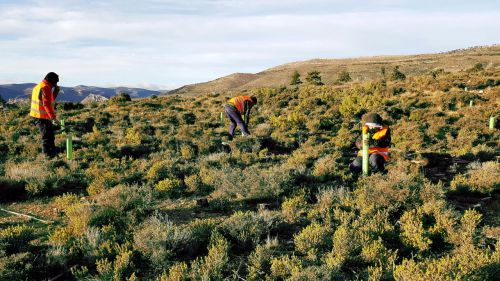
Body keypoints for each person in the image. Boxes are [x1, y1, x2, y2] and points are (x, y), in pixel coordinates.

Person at [30, 72, 61, 158]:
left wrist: (55, 92)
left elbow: (49, 100)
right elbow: (46, 104)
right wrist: (53, 118)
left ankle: (53, 150)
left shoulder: (39, 86)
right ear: (52, 81)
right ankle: (47, 156)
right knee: (46, 136)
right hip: (41, 116)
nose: (56, 84)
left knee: (50, 134)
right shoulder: (46, 87)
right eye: (56, 82)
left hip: (39, 115)